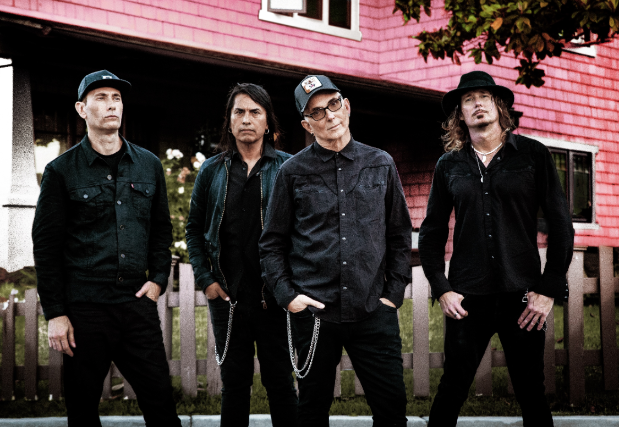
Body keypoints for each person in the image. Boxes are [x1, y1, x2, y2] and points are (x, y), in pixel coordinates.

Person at [419, 70, 574, 426]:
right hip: (467, 298)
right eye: (468, 100)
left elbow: (561, 224)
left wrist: (548, 289)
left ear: (498, 105)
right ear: (460, 114)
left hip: (522, 295)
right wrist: (442, 289)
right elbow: (431, 232)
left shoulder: (532, 155)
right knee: (452, 387)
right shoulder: (449, 165)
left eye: (484, 97)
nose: (477, 104)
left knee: (531, 390)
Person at [259, 75, 412, 427]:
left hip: (373, 311)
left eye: (333, 104)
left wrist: (392, 295)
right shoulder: (291, 172)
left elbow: (400, 234)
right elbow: (272, 243)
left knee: (391, 411)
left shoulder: (381, 163)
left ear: (347, 106)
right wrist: (289, 297)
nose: (329, 115)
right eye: (316, 111)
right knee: (311, 413)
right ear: (306, 125)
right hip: (314, 315)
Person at [32, 70, 181, 427]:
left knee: (161, 405)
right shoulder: (61, 171)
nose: (111, 104)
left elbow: (161, 229)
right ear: (81, 109)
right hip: (85, 308)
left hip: (136, 304)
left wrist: (158, 279)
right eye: (100, 98)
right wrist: (55, 313)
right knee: (82, 410)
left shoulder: (148, 164)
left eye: (116, 98)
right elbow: (47, 247)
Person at [185, 83, 297, 427]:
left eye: (255, 112)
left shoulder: (288, 168)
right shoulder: (211, 171)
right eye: (239, 112)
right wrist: (206, 280)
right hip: (228, 299)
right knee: (234, 385)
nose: (246, 119)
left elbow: (302, 232)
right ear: (230, 121)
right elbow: (193, 230)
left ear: (267, 122)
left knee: (281, 383)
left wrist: (290, 288)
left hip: (274, 298)